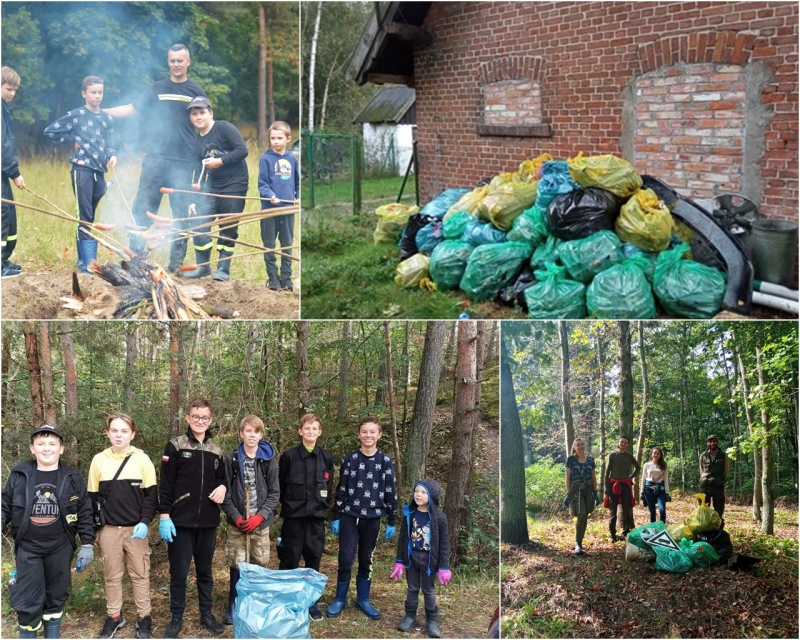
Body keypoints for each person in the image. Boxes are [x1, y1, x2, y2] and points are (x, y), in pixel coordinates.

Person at [104, 45, 207, 271]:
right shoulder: (157, 88)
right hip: (156, 159)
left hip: (184, 161)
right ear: (168, 62)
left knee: (180, 215)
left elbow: (205, 122)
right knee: (142, 208)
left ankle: (176, 266)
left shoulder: (196, 91)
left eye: (180, 60)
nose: (176, 64)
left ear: (188, 62)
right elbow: (130, 108)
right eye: (172, 60)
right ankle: (136, 262)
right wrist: (100, 111)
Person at [1, 425, 95, 639]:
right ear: (32, 448)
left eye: (52, 444)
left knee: (56, 597)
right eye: (41, 444)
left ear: (61, 449)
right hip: (28, 547)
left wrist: (87, 544)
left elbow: (85, 511)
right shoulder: (19, 474)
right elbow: (4, 504)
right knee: (28, 600)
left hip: (60, 547)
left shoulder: (72, 477)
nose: (47, 448)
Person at [158, 398, 227, 638]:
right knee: (179, 572)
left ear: (210, 420)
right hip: (180, 522)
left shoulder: (215, 450)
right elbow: (165, 483)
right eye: (196, 417)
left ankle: (206, 613)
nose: (200, 421)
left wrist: (224, 488)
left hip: (208, 522)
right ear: (187, 418)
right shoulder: (176, 446)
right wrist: (165, 514)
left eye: (205, 417)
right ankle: (176, 617)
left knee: (205, 571)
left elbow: (223, 479)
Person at [87, 413, 158, 640]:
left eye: (124, 431)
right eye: (114, 430)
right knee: (112, 576)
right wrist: (96, 529)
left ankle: (144, 617)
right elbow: (92, 499)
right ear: (107, 432)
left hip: (136, 530)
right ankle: (115, 617)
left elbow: (151, 497)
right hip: (109, 529)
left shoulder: (142, 460)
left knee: (140, 574)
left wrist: (145, 522)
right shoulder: (99, 460)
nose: (119, 435)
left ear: (132, 434)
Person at [44, 76, 117, 273]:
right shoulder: (75, 115)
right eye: (93, 92)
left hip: (99, 171)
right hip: (81, 170)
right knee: (84, 216)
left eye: (100, 92)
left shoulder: (107, 119)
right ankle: (88, 264)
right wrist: (72, 139)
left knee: (89, 216)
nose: (97, 96)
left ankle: (81, 258)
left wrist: (112, 155)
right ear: (84, 93)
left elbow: (110, 143)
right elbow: (50, 132)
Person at [327, 417, 398, 620]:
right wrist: (337, 516)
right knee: (346, 558)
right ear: (359, 434)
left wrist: (391, 520)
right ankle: (340, 598)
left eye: (372, 432)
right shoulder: (350, 460)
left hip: (373, 518)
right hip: (350, 516)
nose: (368, 435)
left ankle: (363, 599)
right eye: (364, 432)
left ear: (379, 435)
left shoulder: (385, 462)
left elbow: (390, 491)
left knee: (366, 558)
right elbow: (341, 489)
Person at [179, 96, 249, 281]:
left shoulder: (224, 128)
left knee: (228, 226)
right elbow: (197, 172)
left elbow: (242, 150)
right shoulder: (196, 141)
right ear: (191, 118)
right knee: (199, 222)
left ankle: (223, 270)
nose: (199, 117)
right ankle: (203, 268)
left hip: (235, 185)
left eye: (202, 112)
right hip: (211, 187)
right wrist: (193, 199)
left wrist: (220, 160)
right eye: (194, 114)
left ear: (210, 113)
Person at [220, 414, 279, 626]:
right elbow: (225, 494)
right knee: (237, 562)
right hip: (238, 522)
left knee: (260, 561)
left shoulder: (268, 459)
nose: (251, 435)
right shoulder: (232, 459)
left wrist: (260, 516)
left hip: (260, 523)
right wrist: (236, 518)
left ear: (260, 434)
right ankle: (234, 602)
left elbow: (274, 493)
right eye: (247, 431)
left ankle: (257, 602)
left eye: (256, 431)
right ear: (241, 433)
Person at [277, 413, 334, 622]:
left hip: (316, 520)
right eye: (307, 428)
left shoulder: (326, 458)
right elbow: (281, 487)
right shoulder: (289, 457)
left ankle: (310, 603)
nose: (310, 431)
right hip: (293, 519)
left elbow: (329, 486)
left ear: (319, 432)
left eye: (314, 428)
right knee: (289, 559)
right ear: (300, 431)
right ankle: (286, 602)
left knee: (313, 560)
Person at [390, 478, 451, 638]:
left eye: (423, 492)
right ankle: (410, 617)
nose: (418, 495)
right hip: (412, 559)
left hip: (430, 561)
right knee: (412, 588)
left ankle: (431, 622)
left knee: (429, 590)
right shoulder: (409, 514)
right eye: (416, 491)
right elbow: (403, 538)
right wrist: (399, 561)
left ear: (432, 496)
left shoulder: (440, 518)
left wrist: (444, 567)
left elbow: (444, 544)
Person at [258, 120, 298, 291]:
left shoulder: (292, 159)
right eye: (273, 138)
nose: (275, 141)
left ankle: (286, 277)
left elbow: (297, 183)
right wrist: (270, 195)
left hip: (288, 210)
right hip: (270, 210)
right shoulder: (266, 159)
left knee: (287, 244)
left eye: (279, 138)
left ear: (288, 139)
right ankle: (273, 277)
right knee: (269, 245)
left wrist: (298, 197)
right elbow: (262, 184)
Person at [1, 66, 24, 278]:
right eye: (8, 88)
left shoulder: (3, 108)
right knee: (1, 215)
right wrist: (15, 173)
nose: (12, 93)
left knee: (8, 215)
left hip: (3, 174)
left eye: (15, 90)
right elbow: (3, 147)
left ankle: (4, 258)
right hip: (3, 171)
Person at [564, 438, 599, 555]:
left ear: (585, 446)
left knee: (586, 515)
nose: (580, 446)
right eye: (578, 445)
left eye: (582, 444)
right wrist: (568, 493)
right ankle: (577, 543)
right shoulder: (571, 460)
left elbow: (593, 477)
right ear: (574, 447)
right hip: (576, 490)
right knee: (581, 514)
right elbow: (568, 477)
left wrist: (595, 492)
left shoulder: (590, 460)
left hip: (588, 489)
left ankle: (580, 541)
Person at [604, 434, 640, 542]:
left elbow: (637, 467)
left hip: (625, 484)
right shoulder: (613, 455)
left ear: (628, 445)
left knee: (626, 509)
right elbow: (607, 471)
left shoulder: (629, 456)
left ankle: (625, 532)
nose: (623, 444)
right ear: (618, 443)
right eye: (621, 442)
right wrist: (606, 486)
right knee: (613, 510)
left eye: (625, 442)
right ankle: (612, 534)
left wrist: (631, 476)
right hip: (613, 484)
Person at [699, 434, 729, 520]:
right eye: (710, 441)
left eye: (714, 441)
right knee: (703, 511)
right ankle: (705, 531)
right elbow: (701, 470)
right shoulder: (703, 456)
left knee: (719, 512)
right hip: (705, 486)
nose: (712, 443)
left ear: (717, 443)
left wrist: (719, 479)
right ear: (707, 443)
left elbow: (725, 471)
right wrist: (704, 479)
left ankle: (718, 531)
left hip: (718, 486)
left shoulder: (723, 456)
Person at [640, 447, 670, 524]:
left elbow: (666, 479)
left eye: (658, 453)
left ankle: (662, 527)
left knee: (662, 509)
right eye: (654, 453)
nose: (656, 455)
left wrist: (667, 492)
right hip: (648, 490)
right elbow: (643, 478)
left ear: (660, 455)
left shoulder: (664, 465)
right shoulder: (647, 465)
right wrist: (642, 491)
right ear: (651, 454)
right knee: (652, 511)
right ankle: (653, 529)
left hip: (661, 490)